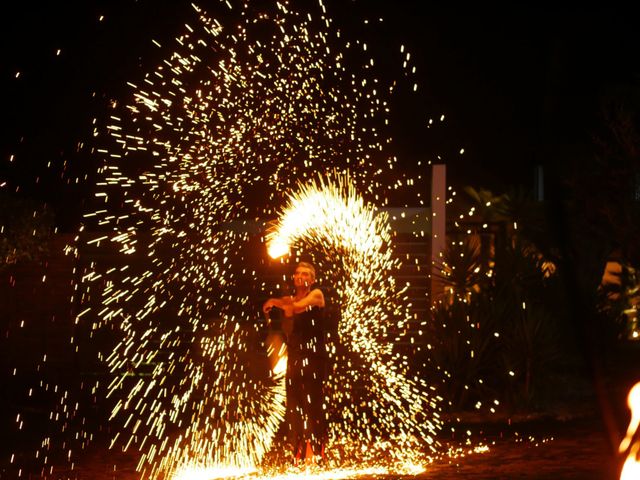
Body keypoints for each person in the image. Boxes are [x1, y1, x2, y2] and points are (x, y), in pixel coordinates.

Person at [262, 261, 327, 464]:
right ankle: (299, 450)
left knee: (313, 404)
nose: (300, 276)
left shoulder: (316, 295)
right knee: (295, 404)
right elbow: (283, 307)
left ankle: (318, 451)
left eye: (305, 273)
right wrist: (274, 302)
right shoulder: (289, 299)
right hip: (295, 357)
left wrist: (275, 301)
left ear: (312, 279)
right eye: (297, 272)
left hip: (314, 357)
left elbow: (297, 307)